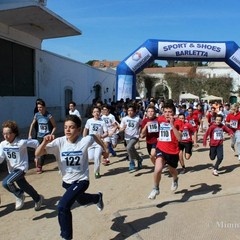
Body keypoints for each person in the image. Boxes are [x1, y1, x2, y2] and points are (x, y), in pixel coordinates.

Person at [35, 115, 107, 240]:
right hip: (67, 182)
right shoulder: (59, 142)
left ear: (79, 130)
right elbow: (38, 153)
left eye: (71, 127)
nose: (68, 130)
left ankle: (66, 237)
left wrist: (104, 149)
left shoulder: (84, 140)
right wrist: (45, 141)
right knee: (82, 200)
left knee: (63, 206)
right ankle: (97, 197)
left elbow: (94, 136)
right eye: (65, 127)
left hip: (82, 180)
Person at [0, 121, 43, 211]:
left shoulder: (21, 142)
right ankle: (38, 198)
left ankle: (19, 194)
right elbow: (1, 157)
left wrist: (37, 156)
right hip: (12, 170)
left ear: (14, 133)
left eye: (8, 133)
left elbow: (36, 143)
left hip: (21, 168)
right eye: (4, 133)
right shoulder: (3, 144)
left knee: (6, 183)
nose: (5, 136)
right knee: (24, 186)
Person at [148, 101, 182, 200]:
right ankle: (156, 188)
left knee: (172, 170)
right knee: (158, 169)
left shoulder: (178, 122)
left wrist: (172, 125)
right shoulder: (160, 119)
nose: (167, 114)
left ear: (173, 113)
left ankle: (175, 179)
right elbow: (151, 120)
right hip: (161, 148)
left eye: (170, 112)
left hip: (173, 151)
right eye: (165, 111)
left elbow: (179, 138)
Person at [28, 99, 57, 174]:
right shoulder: (37, 115)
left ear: (44, 107)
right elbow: (32, 124)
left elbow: (54, 126)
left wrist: (51, 134)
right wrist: (29, 134)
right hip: (39, 136)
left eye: (40, 107)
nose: (39, 109)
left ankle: (39, 166)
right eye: (38, 107)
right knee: (38, 150)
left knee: (43, 151)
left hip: (46, 137)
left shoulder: (49, 115)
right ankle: (37, 161)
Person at [83, 106, 108, 178]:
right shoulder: (89, 121)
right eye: (94, 112)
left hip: (99, 143)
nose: (96, 113)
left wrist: (102, 136)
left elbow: (106, 133)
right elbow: (85, 129)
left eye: (97, 111)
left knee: (97, 157)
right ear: (92, 113)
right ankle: (103, 152)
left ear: (100, 113)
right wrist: (84, 138)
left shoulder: (102, 122)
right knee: (90, 157)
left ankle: (97, 172)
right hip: (90, 142)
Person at [119, 104, 143, 172]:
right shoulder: (124, 119)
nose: (129, 112)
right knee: (131, 149)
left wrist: (140, 132)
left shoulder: (137, 118)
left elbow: (142, 125)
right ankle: (139, 159)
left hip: (135, 136)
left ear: (134, 111)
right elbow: (120, 128)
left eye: (131, 110)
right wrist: (122, 129)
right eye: (128, 110)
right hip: (127, 137)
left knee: (128, 148)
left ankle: (131, 162)